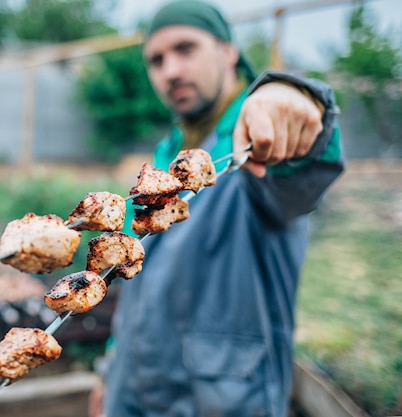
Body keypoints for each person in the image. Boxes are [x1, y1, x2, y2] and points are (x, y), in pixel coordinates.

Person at [94, 1, 345, 416]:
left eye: (185, 49)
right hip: (133, 390)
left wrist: (292, 96)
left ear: (229, 51)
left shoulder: (255, 141)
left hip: (223, 399)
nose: (170, 70)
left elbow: (305, 163)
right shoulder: (166, 153)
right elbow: (137, 283)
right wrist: (109, 369)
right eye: (156, 60)